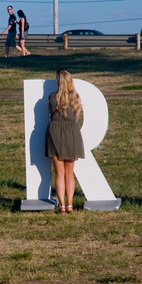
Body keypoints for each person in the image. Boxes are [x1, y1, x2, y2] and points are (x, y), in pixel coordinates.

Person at [45, 70, 85, 212]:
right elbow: (76, 116)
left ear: (59, 81)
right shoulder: (76, 98)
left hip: (55, 132)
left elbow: (50, 113)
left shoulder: (51, 97)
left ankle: (61, 205)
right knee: (70, 172)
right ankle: (70, 205)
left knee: (59, 172)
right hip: (71, 133)